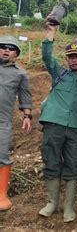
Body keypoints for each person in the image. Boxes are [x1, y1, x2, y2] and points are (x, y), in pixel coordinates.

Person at [38, 23, 77, 222]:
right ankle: (52, 202)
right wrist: (51, 32)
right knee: (51, 161)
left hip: (76, 127)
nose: (74, 59)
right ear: (67, 59)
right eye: (71, 56)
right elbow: (46, 56)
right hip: (54, 124)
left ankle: (68, 206)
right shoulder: (59, 73)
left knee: (73, 164)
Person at [0, 36, 32, 211]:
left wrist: (27, 116)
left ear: (16, 54)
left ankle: (1, 195)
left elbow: (25, 96)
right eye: (3, 47)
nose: (6, 50)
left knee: (2, 153)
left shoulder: (20, 74)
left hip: (2, 121)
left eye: (11, 48)